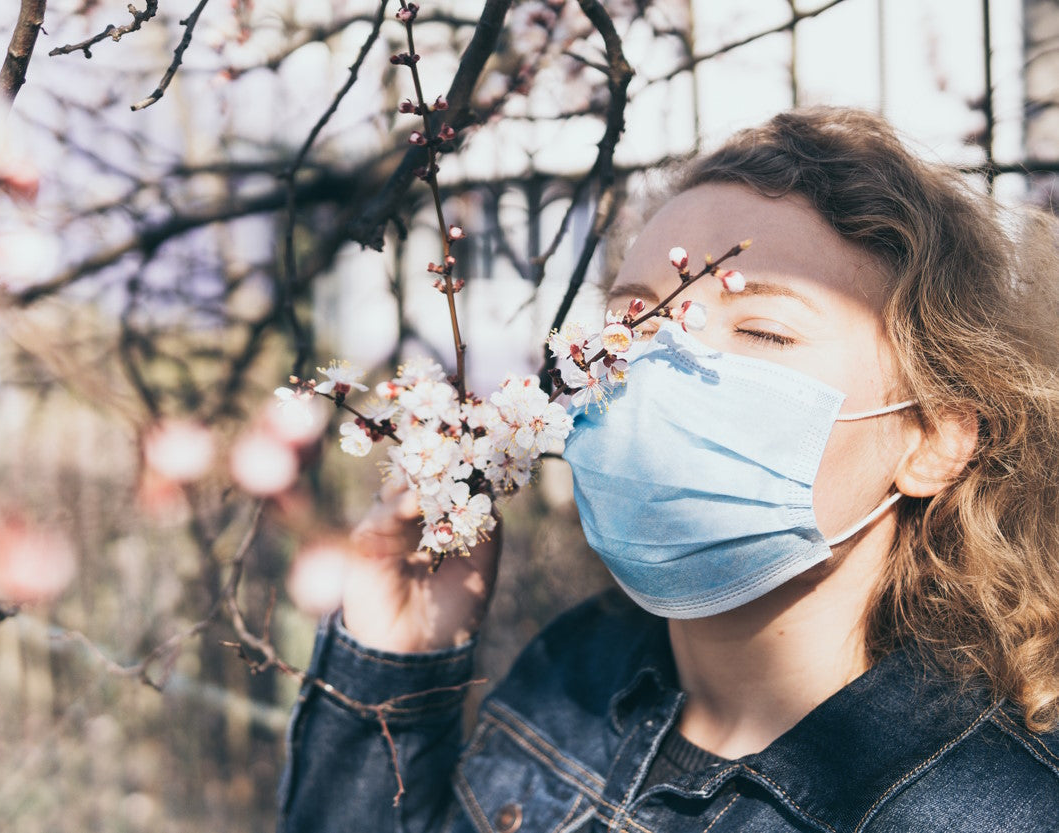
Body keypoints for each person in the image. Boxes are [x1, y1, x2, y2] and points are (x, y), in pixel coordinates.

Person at [277, 108, 1059, 832]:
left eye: (763, 330)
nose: (660, 366)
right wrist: (393, 665)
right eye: (634, 321)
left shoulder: (988, 808)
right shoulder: (572, 674)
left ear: (936, 439)